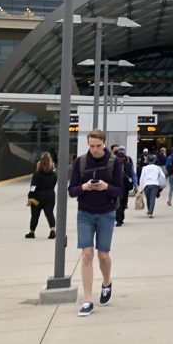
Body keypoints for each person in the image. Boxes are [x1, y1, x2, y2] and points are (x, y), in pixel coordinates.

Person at [68, 129, 124, 318]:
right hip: (85, 213)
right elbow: (72, 190)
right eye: (91, 146)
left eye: (98, 146)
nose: (95, 150)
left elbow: (120, 191)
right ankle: (87, 300)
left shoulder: (113, 162)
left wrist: (105, 186)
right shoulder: (80, 162)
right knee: (86, 254)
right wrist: (84, 187)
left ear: (104, 144)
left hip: (106, 214)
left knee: (103, 255)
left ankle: (107, 282)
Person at [26, 151, 58, 239]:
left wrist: (30, 195)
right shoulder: (53, 175)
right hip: (50, 196)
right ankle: (52, 230)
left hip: (37, 197)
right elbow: (54, 183)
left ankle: (32, 232)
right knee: (49, 213)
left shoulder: (37, 175)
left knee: (35, 215)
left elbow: (33, 186)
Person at [114, 147, 137, 227]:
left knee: (123, 202)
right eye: (119, 157)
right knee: (119, 202)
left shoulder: (128, 165)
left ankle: (121, 218)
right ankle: (118, 220)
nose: (120, 159)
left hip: (125, 186)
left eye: (122, 157)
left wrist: (135, 184)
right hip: (117, 186)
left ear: (124, 158)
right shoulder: (113, 164)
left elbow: (133, 174)